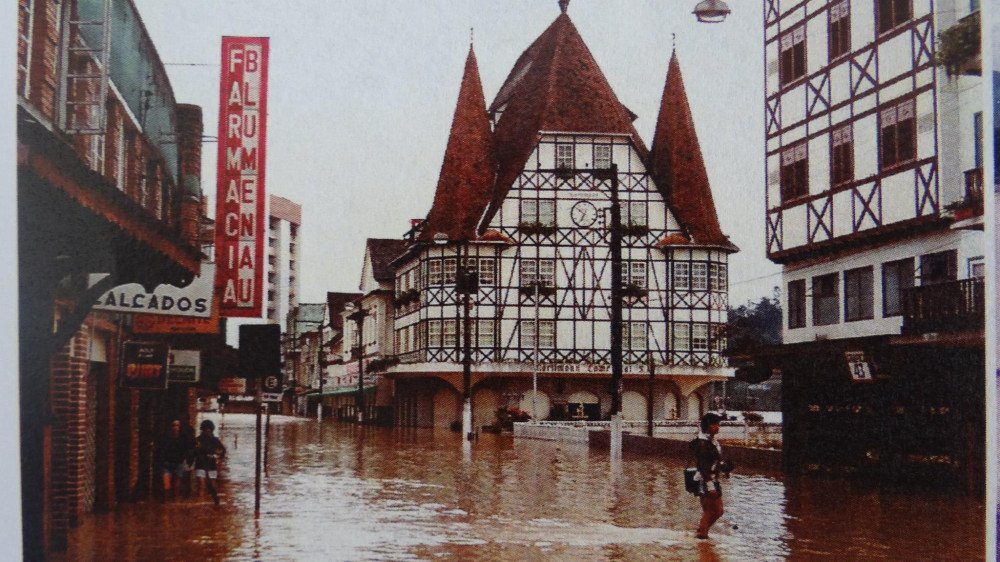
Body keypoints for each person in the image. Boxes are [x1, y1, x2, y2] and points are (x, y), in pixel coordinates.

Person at [690, 412, 733, 539]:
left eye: (718, 424)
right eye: (714, 424)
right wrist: (710, 485)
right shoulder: (703, 443)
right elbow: (702, 466)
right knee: (712, 511)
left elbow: (713, 461)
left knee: (716, 511)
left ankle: (701, 533)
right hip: (705, 479)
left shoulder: (711, 441)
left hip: (710, 479)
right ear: (706, 425)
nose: (717, 427)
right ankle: (702, 537)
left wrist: (724, 467)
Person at [193, 419, 227, 505]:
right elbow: (195, 451)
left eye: (209, 429)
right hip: (200, 464)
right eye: (206, 429)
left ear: (212, 429)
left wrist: (218, 458)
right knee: (201, 485)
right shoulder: (198, 440)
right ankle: (200, 504)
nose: (208, 431)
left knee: (212, 484)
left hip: (211, 465)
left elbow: (222, 451)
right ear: (203, 429)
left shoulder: (215, 440)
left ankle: (215, 499)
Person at [158, 419, 193, 500]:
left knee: (176, 486)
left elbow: (187, 449)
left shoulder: (183, 438)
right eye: (174, 425)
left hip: (179, 463)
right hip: (167, 463)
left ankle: (175, 501)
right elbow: (162, 449)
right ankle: (166, 503)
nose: (175, 427)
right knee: (166, 485)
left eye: (177, 425)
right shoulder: (166, 438)